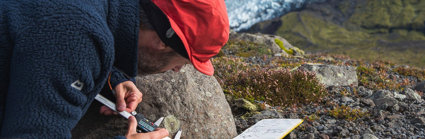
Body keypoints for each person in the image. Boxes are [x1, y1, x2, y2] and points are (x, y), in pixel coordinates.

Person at [0, 0, 229, 138]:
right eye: (184, 61)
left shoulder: (89, 15)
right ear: (163, 42)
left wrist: (109, 75)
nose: (177, 70)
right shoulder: (78, 35)